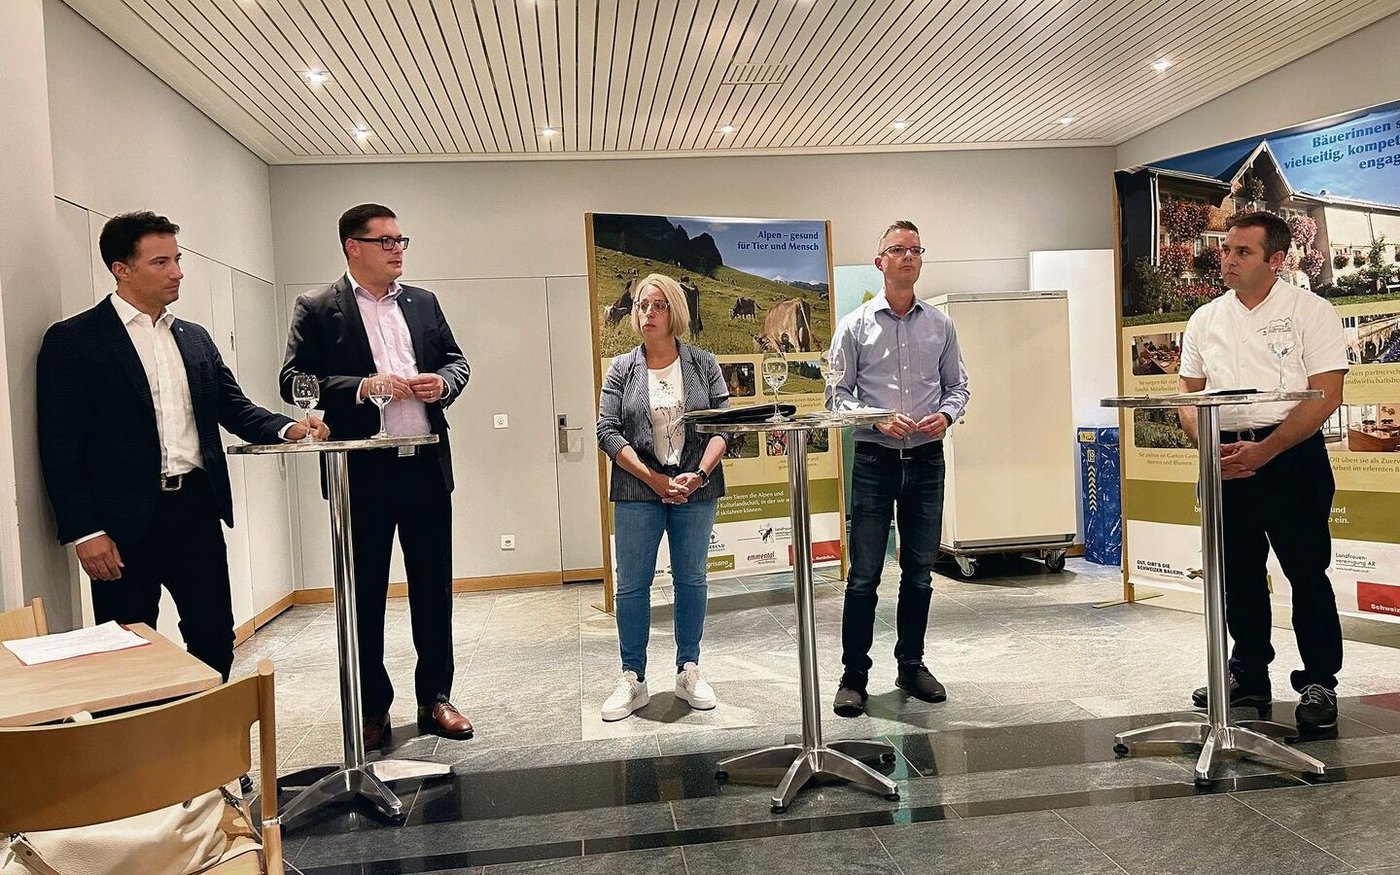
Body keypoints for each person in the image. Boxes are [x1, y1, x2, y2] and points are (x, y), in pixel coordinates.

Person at [37, 211, 327, 682]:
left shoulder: (193, 338)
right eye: (161, 262)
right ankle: (149, 731)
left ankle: (207, 725)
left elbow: (235, 408)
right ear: (121, 269)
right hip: (121, 523)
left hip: (195, 508)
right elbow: (59, 445)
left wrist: (289, 428)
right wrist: (85, 531)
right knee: (130, 645)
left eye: (177, 259)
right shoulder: (75, 340)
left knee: (213, 635)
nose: (177, 272)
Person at [280, 203, 473, 750]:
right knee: (363, 596)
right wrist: (365, 387)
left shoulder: (423, 302)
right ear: (353, 247)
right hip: (360, 475)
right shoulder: (318, 307)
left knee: (433, 590)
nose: (396, 249)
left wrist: (443, 382)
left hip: (426, 466)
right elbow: (293, 379)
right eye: (385, 240)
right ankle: (372, 708)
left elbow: (458, 361)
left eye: (400, 240)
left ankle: (436, 697)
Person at [1177, 211, 1348, 732]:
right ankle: (1249, 673)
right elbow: (1188, 395)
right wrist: (1210, 449)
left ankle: (1319, 681)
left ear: (1276, 259)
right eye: (1226, 250)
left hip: (1291, 456)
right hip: (1224, 457)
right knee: (1238, 574)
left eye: (1242, 252)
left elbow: (1327, 395)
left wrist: (1266, 450)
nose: (1228, 259)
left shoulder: (1311, 312)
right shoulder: (1205, 319)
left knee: (1306, 571)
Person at [827, 220, 970, 718]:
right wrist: (876, 418)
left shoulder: (941, 326)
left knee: (920, 574)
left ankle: (911, 665)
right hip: (874, 459)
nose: (908, 256)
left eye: (915, 249)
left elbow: (958, 387)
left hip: (927, 459)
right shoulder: (854, 326)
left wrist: (946, 415)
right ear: (880, 262)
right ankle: (854, 675)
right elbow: (836, 396)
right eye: (898, 249)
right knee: (864, 575)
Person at [596, 273, 730, 721]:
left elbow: (723, 424)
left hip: (697, 487)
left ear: (675, 311)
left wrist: (700, 474)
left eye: (658, 305)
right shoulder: (622, 367)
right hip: (638, 488)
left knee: (691, 579)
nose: (648, 313)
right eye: (642, 305)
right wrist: (652, 478)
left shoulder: (703, 363)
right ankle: (632, 677)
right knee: (632, 584)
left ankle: (688, 669)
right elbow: (607, 430)